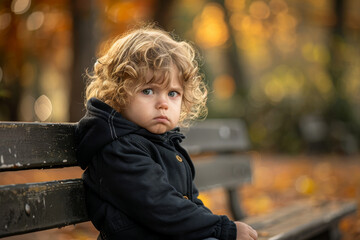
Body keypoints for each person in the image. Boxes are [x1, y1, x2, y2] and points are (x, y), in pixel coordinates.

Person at [75, 24, 258, 240]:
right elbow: (160, 206)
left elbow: (189, 201)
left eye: (173, 93)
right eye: (148, 90)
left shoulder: (165, 143)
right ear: (119, 93)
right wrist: (222, 229)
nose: (163, 103)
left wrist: (218, 229)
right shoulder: (118, 148)